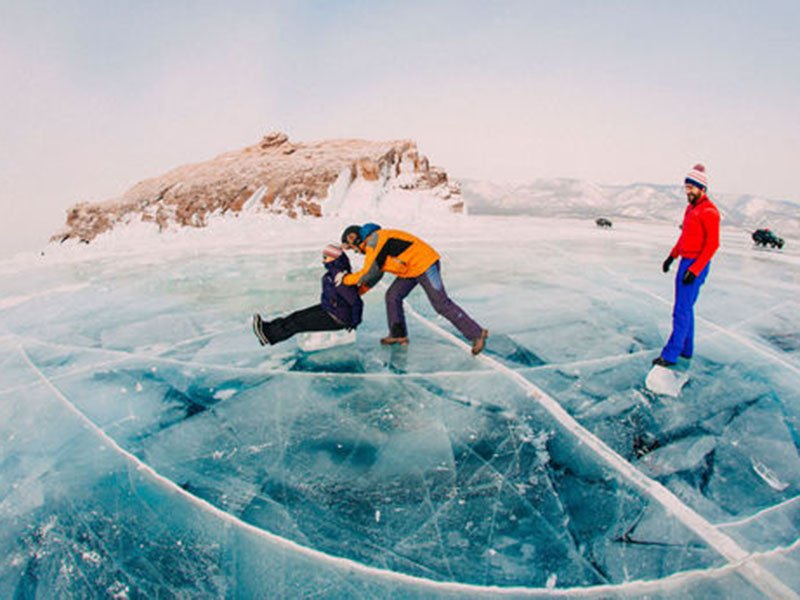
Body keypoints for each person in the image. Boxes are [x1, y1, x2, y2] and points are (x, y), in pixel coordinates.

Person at [339, 223, 489, 355]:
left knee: (440, 303)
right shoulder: (373, 244)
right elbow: (375, 274)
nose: (355, 251)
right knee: (392, 296)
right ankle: (398, 334)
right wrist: (357, 292)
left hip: (425, 265)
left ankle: (477, 333)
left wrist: (345, 280)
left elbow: (368, 272)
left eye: (351, 247)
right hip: (410, 270)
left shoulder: (375, 239)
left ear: (354, 238)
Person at [652, 164, 720, 367]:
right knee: (686, 308)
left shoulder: (709, 212)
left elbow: (712, 245)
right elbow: (685, 238)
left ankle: (670, 355)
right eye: (686, 187)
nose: (687, 191)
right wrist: (671, 256)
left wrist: (695, 269)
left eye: (691, 188)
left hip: (696, 264)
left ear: (702, 188)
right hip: (685, 262)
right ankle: (686, 349)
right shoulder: (691, 209)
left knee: (681, 310)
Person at [252, 244, 363, 345]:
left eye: (325, 257)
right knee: (296, 316)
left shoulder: (340, 278)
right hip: (330, 308)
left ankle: (269, 335)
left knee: (297, 323)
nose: (323, 260)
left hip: (337, 318)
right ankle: (268, 329)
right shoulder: (334, 273)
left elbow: (356, 302)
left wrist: (354, 322)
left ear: (334, 259)